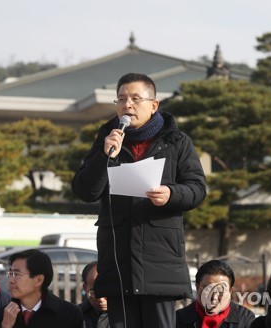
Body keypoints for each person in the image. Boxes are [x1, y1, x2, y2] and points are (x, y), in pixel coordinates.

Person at [72, 72, 207, 328]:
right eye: (121, 99)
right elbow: (85, 191)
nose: (128, 105)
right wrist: (103, 156)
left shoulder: (176, 142)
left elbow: (197, 188)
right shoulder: (107, 139)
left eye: (135, 98)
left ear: (154, 105)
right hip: (118, 263)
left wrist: (171, 194)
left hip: (160, 261)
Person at [0, 249, 83, 328]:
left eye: (17, 274)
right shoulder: (1, 314)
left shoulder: (69, 314)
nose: (11, 280)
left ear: (39, 280)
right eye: (10, 274)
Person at [176, 260, 255, 328]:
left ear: (230, 291)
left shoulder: (244, 318)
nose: (214, 297)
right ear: (197, 287)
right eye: (207, 289)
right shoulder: (179, 319)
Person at [79, 261, 109, 328]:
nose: (101, 299)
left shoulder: (125, 314)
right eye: (93, 292)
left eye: (105, 292)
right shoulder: (75, 316)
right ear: (85, 288)